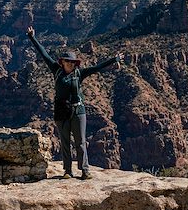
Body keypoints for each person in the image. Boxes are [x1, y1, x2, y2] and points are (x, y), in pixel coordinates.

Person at [26, 26, 123, 179]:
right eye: (68, 61)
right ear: (62, 62)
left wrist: (114, 60)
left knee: (80, 142)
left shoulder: (79, 74)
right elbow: (43, 53)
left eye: (73, 62)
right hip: (61, 112)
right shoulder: (56, 70)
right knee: (65, 142)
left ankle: (85, 170)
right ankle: (67, 171)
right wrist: (32, 37)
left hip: (78, 111)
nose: (71, 64)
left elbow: (97, 68)